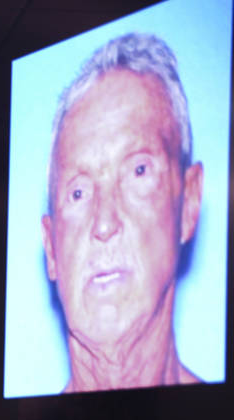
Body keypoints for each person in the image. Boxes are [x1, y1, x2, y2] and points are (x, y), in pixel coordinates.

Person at [41, 32, 204, 393]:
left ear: (189, 202)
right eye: (79, 192)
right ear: (51, 249)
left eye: (138, 171)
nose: (103, 223)